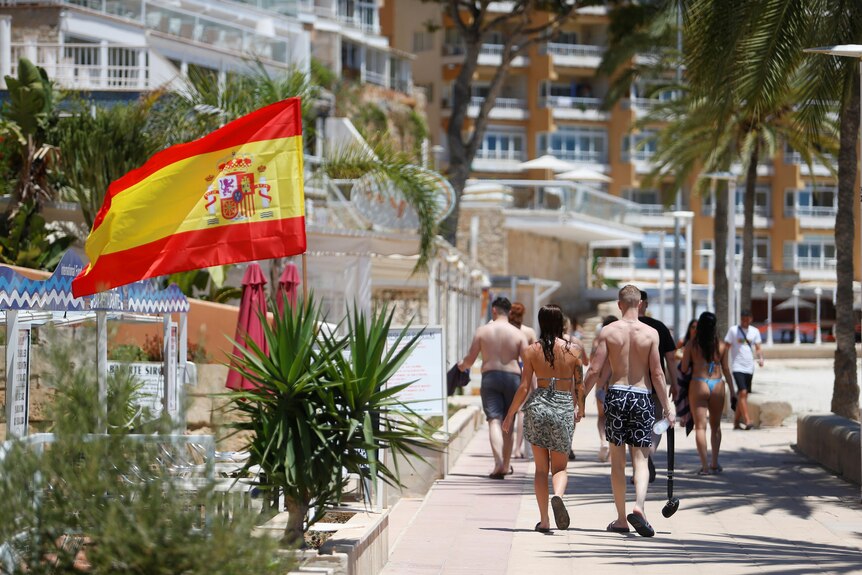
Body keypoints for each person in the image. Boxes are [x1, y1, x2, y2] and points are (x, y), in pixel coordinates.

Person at [584, 285, 675, 538]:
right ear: (640, 304)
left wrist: (578, 397)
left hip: (616, 395)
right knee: (641, 459)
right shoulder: (651, 333)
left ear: (619, 304)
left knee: (616, 462)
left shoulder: (608, 331)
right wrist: (667, 408)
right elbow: (658, 373)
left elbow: (594, 370)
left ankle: (622, 519)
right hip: (642, 396)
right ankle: (640, 506)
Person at [502, 304, 586, 533]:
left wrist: (510, 414)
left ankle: (545, 520)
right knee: (559, 468)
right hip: (562, 407)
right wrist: (581, 408)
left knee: (540, 469)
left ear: (540, 322)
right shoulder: (574, 351)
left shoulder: (530, 351)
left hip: (538, 406)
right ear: (561, 323)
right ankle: (558, 496)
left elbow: (523, 387)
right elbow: (580, 384)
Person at [459, 296, 528, 479]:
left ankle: (498, 462)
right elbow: (528, 362)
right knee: (509, 422)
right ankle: (505, 465)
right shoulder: (518, 334)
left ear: (494, 311)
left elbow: (470, 359)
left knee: (494, 421)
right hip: (513, 378)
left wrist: (462, 366)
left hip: (490, 377)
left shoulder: (483, 331)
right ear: (509, 312)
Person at [681, 312, 734, 474]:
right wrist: (733, 391)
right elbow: (726, 369)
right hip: (717, 384)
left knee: (700, 428)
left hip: (698, 383)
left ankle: (704, 467)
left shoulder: (692, 345)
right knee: (716, 427)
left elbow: (683, 369)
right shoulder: (722, 345)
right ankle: (715, 463)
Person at [637, 290, 679, 483]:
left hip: (630, 387)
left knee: (634, 428)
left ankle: (641, 463)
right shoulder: (659, 327)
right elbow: (671, 359)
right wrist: (675, 384)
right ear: (644, 304)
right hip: (654, 387)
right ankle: (647, 458)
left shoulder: (620, 327)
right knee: (655, 425)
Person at [723, 309, 764, 430]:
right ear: (740, 319)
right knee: (743, 392)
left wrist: (760, 358)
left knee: (743, 395)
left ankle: (736, 422)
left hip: (749, 367)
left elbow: (758, 347)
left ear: (751, 319)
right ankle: (747, 420)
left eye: (747, 319)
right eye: (743, 319)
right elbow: (726, 347)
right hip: (737, 366)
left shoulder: (754, 331)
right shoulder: (733, 331)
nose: (745, 321)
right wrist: (723, 362)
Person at [509, 302, 538, 459]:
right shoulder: (528, 332)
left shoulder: (504, 330)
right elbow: (534, 356)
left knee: (505, 411)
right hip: (523, 369)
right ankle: (516, 448)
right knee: (521, 411)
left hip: (507, 369)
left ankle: (505, 448)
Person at [593, 315, 619, 462]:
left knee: (602, 417)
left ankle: (603, 441)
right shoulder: (620, 343)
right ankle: (611, 450)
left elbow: (593, 365)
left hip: (601, 385)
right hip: (616, 386)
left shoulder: (599, 343)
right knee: (613, 419)